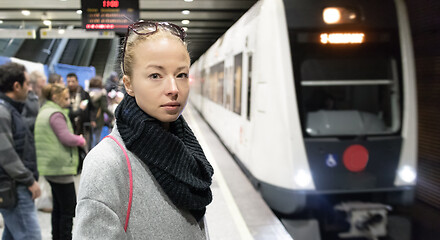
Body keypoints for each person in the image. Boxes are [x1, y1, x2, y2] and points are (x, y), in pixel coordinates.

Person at [73, 21, 214, 239]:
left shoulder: (185, 149)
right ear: (128, 84)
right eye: (155, 76)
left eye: (181, 75)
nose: (173, 89)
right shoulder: (107, 163)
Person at [34, 84, 85, 240]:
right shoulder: (56, 114)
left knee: (58, 207)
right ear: (55, 97)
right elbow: (66, 137)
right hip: (60, 168)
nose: (68, 101)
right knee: (68, 210)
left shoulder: (45, 111)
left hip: (51, 167)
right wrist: (80, 140)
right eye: (65, 98)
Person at [0, 62, 42, 240]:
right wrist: (29, 180)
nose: (30, 88)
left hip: (15, 187)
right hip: (15, 188)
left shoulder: (11, 110)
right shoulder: (2, 112)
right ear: (16, 86)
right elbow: (6, 154)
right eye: (27, 83)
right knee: (30, 236)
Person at [67, 72, 93, 150]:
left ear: (77, 82)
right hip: (70, 124)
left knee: (84, 146)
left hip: (83, 124)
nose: (70, 84)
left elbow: (92, 107)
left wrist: (92, 119)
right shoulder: (65, 94)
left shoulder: (84, 94)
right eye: (68, 81)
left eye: (73, 81)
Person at [88, 76, 114, 147]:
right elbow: (104, 107)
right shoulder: (102, 94)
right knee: (96, 138)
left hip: (88, 118)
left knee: (89, 138)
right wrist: (112, 115)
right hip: (98, 118)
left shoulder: (87, 93)